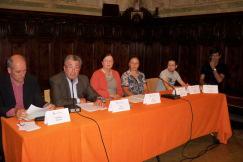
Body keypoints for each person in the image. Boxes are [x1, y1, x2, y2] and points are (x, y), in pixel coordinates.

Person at [0, 54, 54, 162]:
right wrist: (15, 111)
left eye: (24, 71)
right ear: (9, 70)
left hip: (29, 121)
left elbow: (38, 100)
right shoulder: (1, 82)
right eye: (18, 72)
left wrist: (46, 105)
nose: (22, 75)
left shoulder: (31, 80)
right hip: (8, 122)